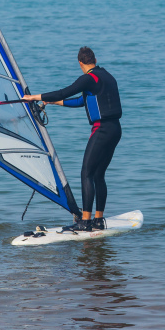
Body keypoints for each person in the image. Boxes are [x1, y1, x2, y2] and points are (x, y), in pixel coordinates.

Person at [23, 46, 122, 232]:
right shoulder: (107, 76)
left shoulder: (88, 78)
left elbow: (65, 92)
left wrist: (34, 97)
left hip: (101, 129)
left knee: (87, 173)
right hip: (115, 129)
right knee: (99, 175)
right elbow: (80, 101)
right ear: (95, 59)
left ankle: (85, 221)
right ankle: (98, 220)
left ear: (80, 63)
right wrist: (53, 102)